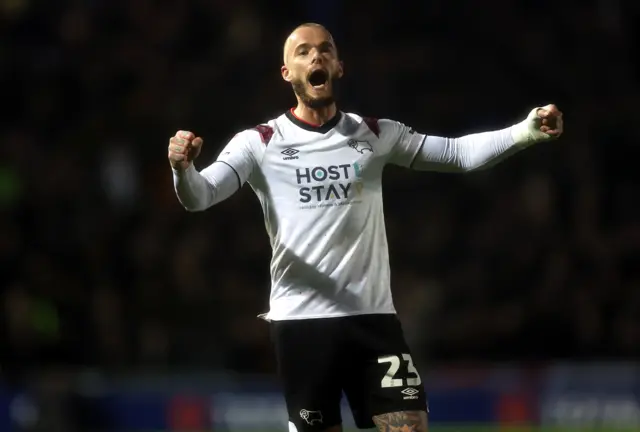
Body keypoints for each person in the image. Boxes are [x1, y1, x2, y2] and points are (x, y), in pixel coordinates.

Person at [168, 22, 563, 432]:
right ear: (287, 73)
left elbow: (458, 154)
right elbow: (201, 196)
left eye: (325, 49)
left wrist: (526, 131)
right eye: (303, 51)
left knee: (409, 425)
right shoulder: (259, 142)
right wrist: (183, 170)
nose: (316, 56)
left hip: (373, 320)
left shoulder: (375, 134)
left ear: (339, 66)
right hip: (303, 325)